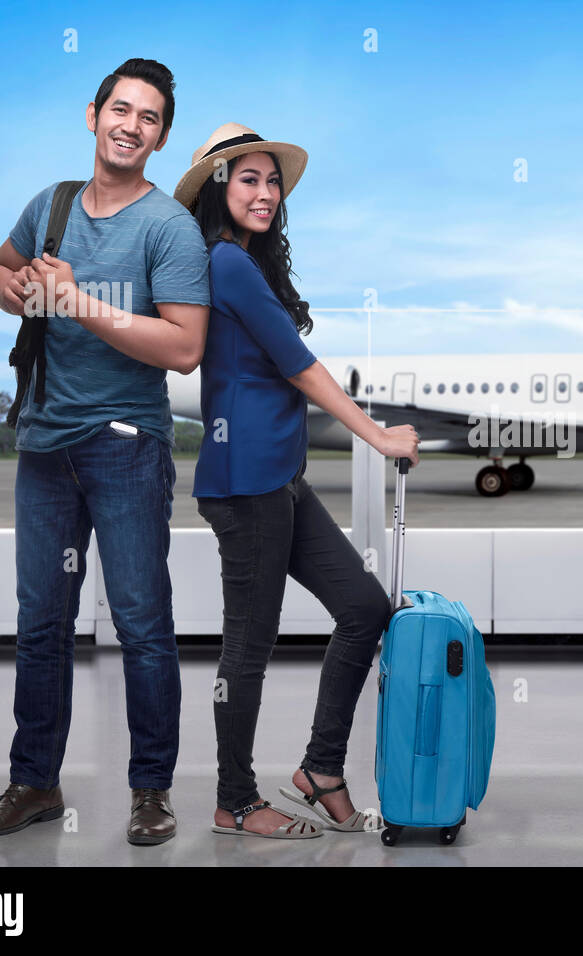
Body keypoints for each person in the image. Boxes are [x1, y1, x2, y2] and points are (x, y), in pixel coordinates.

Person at [0, 59, 211, 846]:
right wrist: (22, 291)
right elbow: (4, 273)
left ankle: (151, 792)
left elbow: (183, 349)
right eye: (120, 109)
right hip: (43, 447)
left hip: (127, 451)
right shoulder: (53, 205)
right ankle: (33, 782)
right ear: (92, 114)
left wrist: (77, 301)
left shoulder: (168, 227)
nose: (130, 125)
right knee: (40, 624)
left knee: (142, 625)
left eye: (148, 117)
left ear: (161, 136)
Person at [172, 123, 420, 838]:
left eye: (271, 179)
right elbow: (298, 364)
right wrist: (374, 435)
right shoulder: (224, 262)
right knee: (248, 647)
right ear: (218, 190)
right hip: (245, 483)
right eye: (247, 178)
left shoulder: (248, 266)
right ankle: (235, 800)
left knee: (365, 609)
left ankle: (321, 770)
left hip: (279, 477)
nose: (265, 192)